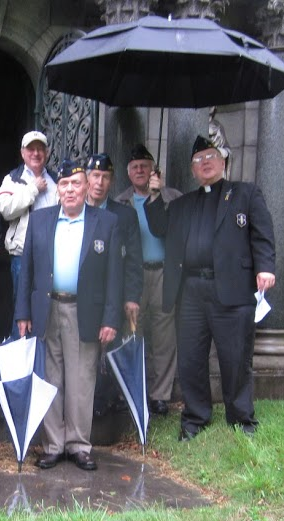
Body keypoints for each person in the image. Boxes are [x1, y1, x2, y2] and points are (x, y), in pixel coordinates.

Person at [145, 135, 276, 440]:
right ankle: (195, 417)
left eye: (210, 157)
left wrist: (266, 267)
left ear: (222, 161)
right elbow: (159, 228)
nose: (205, 164)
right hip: (190, 291)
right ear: (192, 170)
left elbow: (263, 234)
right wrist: (154, 195)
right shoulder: (182, 204)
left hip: (232, 288)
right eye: (198, 160)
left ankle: (241, 417)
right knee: (191, 358)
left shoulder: (246, 194)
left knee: (235, 356)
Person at [15, 159, 122, 471]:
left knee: (82, 379)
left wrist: (110, 318)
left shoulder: (106, 223)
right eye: (64, 184)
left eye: (76, 184)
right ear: (57, 189)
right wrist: (23, 311)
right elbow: (27, 271)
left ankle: (78, 444)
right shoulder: (40, 220)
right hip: (47, 309)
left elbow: (115, 276)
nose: (70, 190)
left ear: (87, 186)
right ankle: (53, 444)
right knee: (51, 378)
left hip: (84, 311)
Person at [115, 144, 182, 417]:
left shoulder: (173, 198)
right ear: (129, 174)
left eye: (145, 165)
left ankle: (160, 395)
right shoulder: (120, 202)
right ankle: (132, 388)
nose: (140, 170)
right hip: (134, 274)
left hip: (164, 272)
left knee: (165, 336)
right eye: (134, 167)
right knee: (132, 331)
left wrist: (158, 196)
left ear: (154, 169)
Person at [82, 152, 141, 414]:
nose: (99, 183)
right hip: (82, 293)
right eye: (95, 176)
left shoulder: (124, 216)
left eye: (105, 177)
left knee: (109, 346)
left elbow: (133, 260)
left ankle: (104, 401)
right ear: (86, 178)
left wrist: (131, 297)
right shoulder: (74, 209)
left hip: (111, 291)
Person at [0, 130, 57, 339]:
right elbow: (5, 209)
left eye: (41, 149)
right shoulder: (12, 179)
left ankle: (41, 357)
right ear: (23, 153)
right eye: (31, 149)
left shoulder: (57, 180)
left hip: (52, 257)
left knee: (47, 309)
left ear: (47, 153)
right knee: (21, 310)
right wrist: (32, 189)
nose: (36, 153)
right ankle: (19, 358)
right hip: (22, 255)